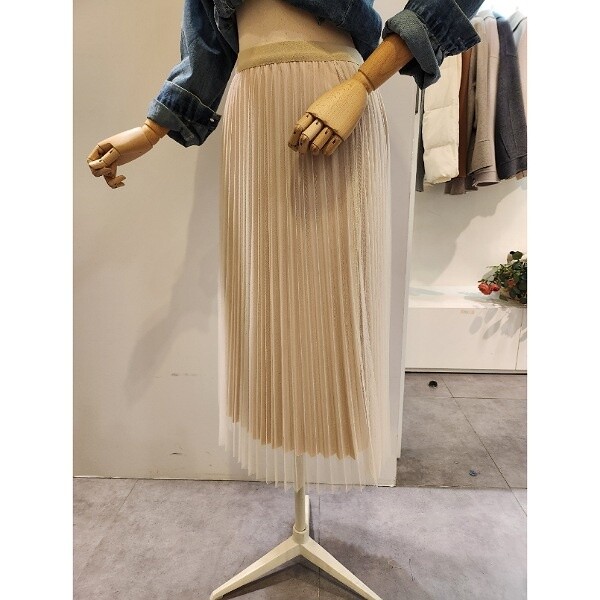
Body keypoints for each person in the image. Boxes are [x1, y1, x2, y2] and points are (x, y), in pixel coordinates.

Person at [86, 0, 484, 491]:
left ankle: (330, 441)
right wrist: (151, 131)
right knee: (266, 300)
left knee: (336, 302)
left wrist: (362, 83)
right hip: (252, 114)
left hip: (336, 102)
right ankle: (285, 442)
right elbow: (206, 48)